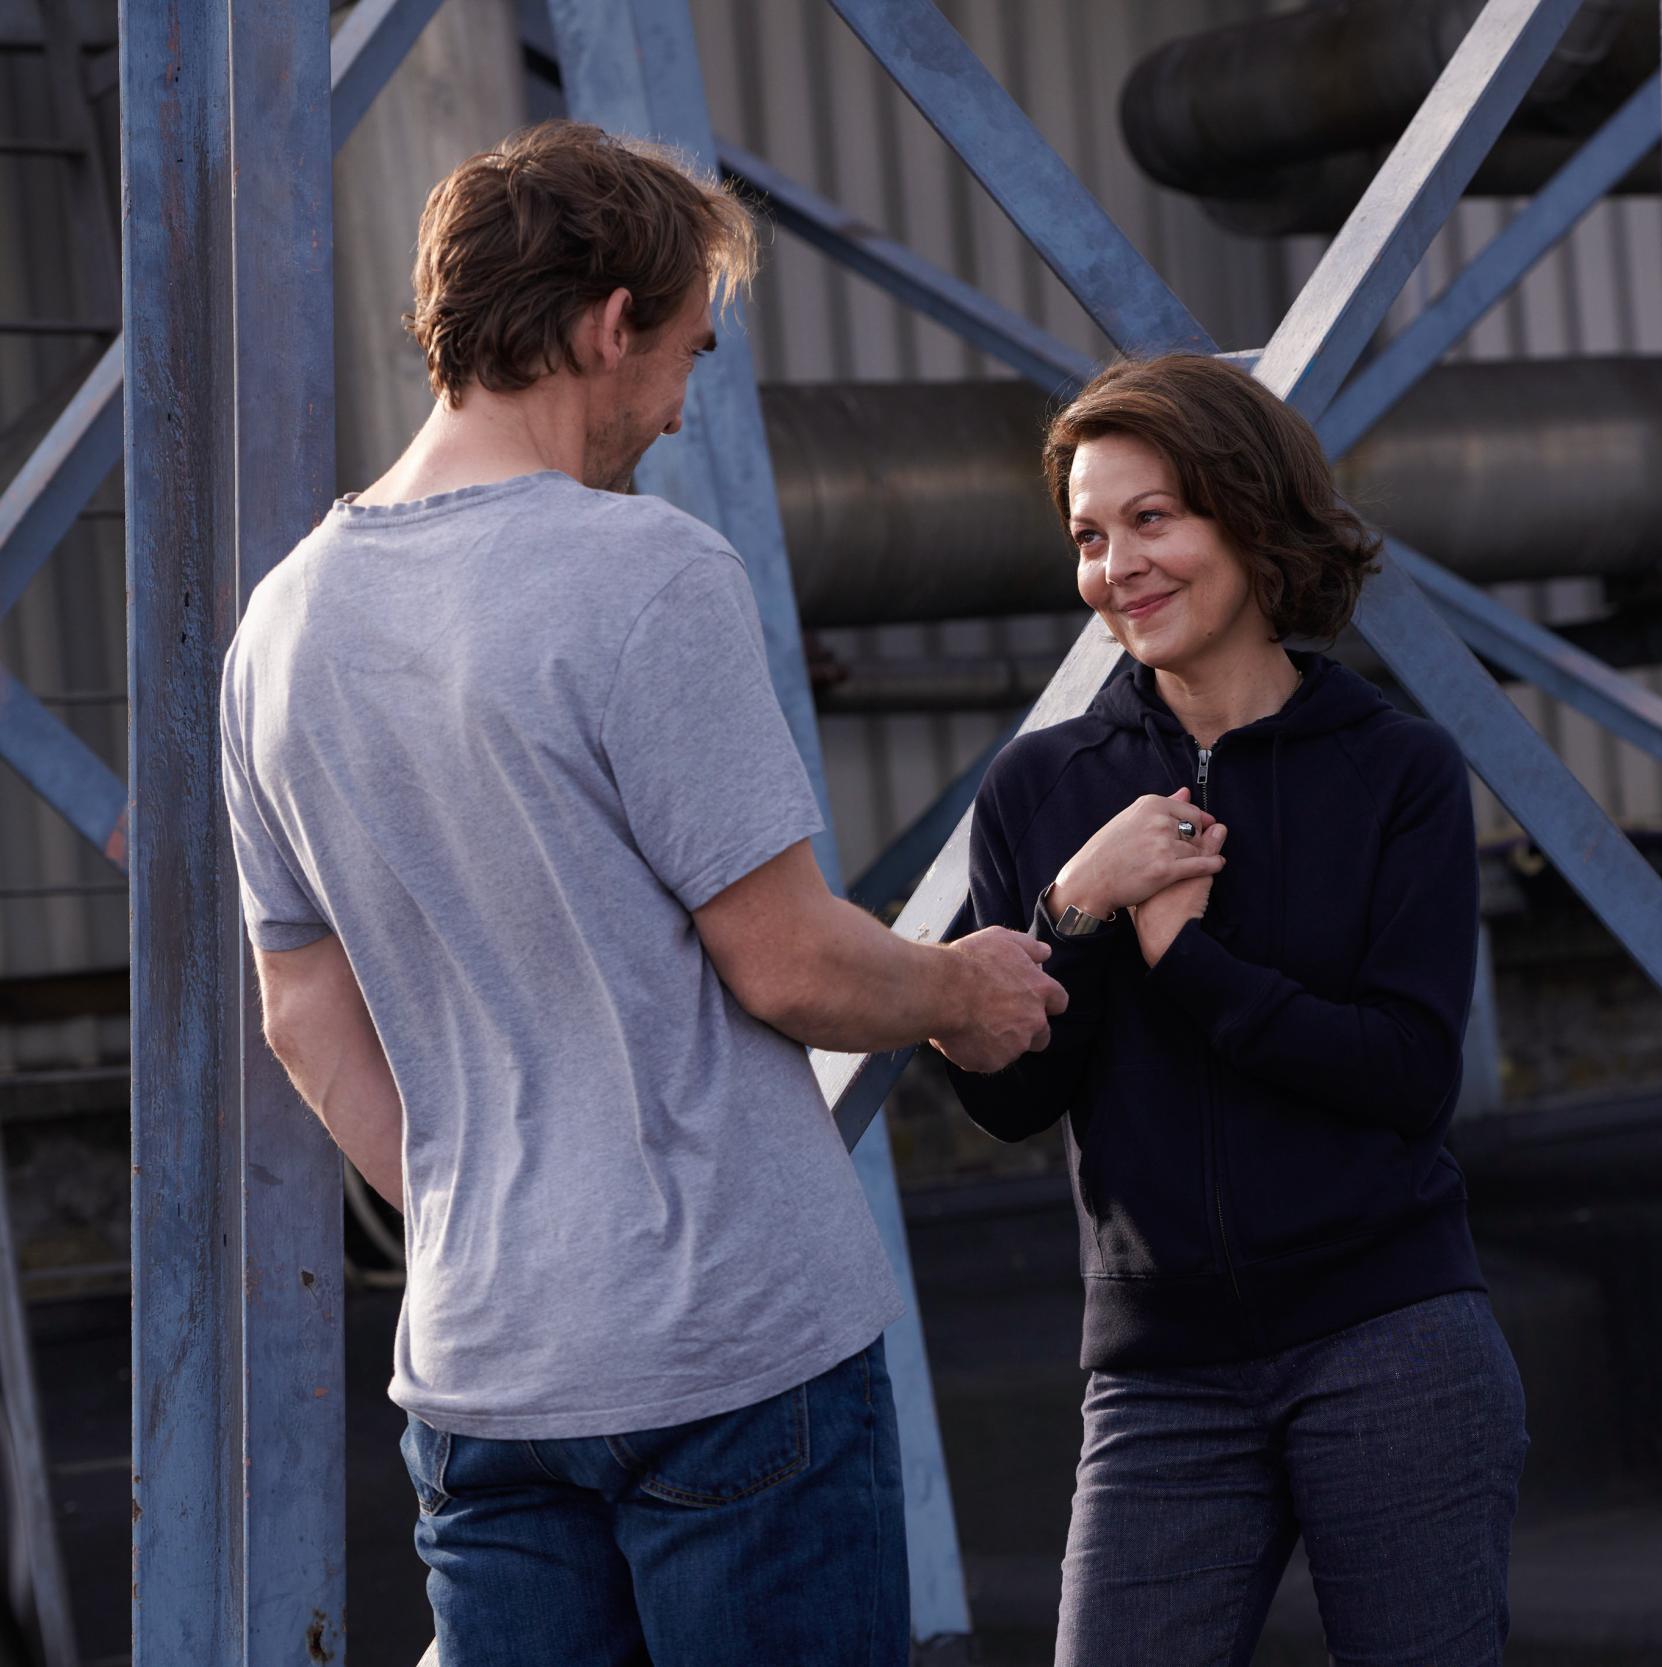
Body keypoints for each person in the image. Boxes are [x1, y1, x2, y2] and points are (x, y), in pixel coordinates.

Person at [220, 120, 1063, 1667]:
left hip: (482, 1375)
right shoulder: (643, 574)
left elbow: (300, 1008)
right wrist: (966, 989)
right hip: (727, 1352)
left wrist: (498, 1217)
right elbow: (793, 968)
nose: (680, 411)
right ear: (609, 326)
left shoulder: (281, 624)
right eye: (687, 351)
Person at [944, 354, 1529, 1666]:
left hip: (1392, 1344)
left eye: (1155, 519)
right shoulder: (1041, 791)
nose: (1118, 567)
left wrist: (1190, 960)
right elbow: (1005, 1096)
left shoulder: (1399, 772)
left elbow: (1405, 1076)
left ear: (1250, 518)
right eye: (1090, 536)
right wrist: (1079, 912)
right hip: (1158, 1378)